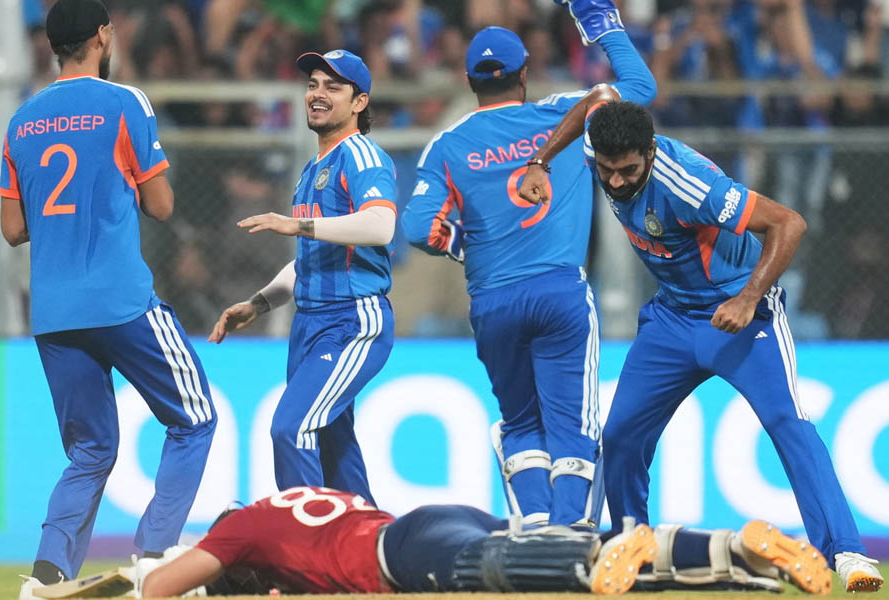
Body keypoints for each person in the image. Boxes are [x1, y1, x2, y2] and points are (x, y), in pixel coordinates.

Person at [518, 100, 884, 593]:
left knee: (788, 425)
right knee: (622, 435)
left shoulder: (690, 184)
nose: (618, 182)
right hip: (672, 317)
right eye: (608, 172)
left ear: (648, 152)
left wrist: (749, 298)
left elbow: (788, 223)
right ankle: (634, 549)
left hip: (737, 314)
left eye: (628, 171)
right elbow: (596, 100)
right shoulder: (597, 145)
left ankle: (848, 554)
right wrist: (540, 162)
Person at [401, 0, 655, 527]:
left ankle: (536, 530)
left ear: (470, 81)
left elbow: (416, 229)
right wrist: (599, 24)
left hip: (493, 299)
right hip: (560, 291)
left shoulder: (447, 144)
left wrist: (465, 245)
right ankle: (567, 536)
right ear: (524, 73)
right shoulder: (560, 115)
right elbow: (640, 89)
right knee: (572, 426)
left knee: (519, 424)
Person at [0, 0, 217, 597]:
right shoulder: (126, 103)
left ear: (51, 45)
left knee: (90, 449)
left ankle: (46, 577)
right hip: (120, 300)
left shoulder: (21, 120)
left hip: (53, 311)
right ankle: (153, 555)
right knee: (194, 417)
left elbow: (12, 228)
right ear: (102, 36)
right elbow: (162, 205)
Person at [208, 49, 396, 506]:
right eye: (313, 84)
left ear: (359, 102)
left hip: (352, 319)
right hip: (311, 324)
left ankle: (305, 552)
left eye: (333, 87)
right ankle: (372, 554)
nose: (317, 94)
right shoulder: (314, 169)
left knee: (292, 428)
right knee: (334, 447)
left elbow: (380, 226)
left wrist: (298, 224)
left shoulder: (362, 156)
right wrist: (258, 303)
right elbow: (310, 259)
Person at [134, 485, 834, 597]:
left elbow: (154, 587)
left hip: (400, 555)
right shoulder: (293, 503)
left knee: (493, 569)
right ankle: (736, 549)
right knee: (600, 540)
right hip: (428, 517)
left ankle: (590, 563)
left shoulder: (240, 529)